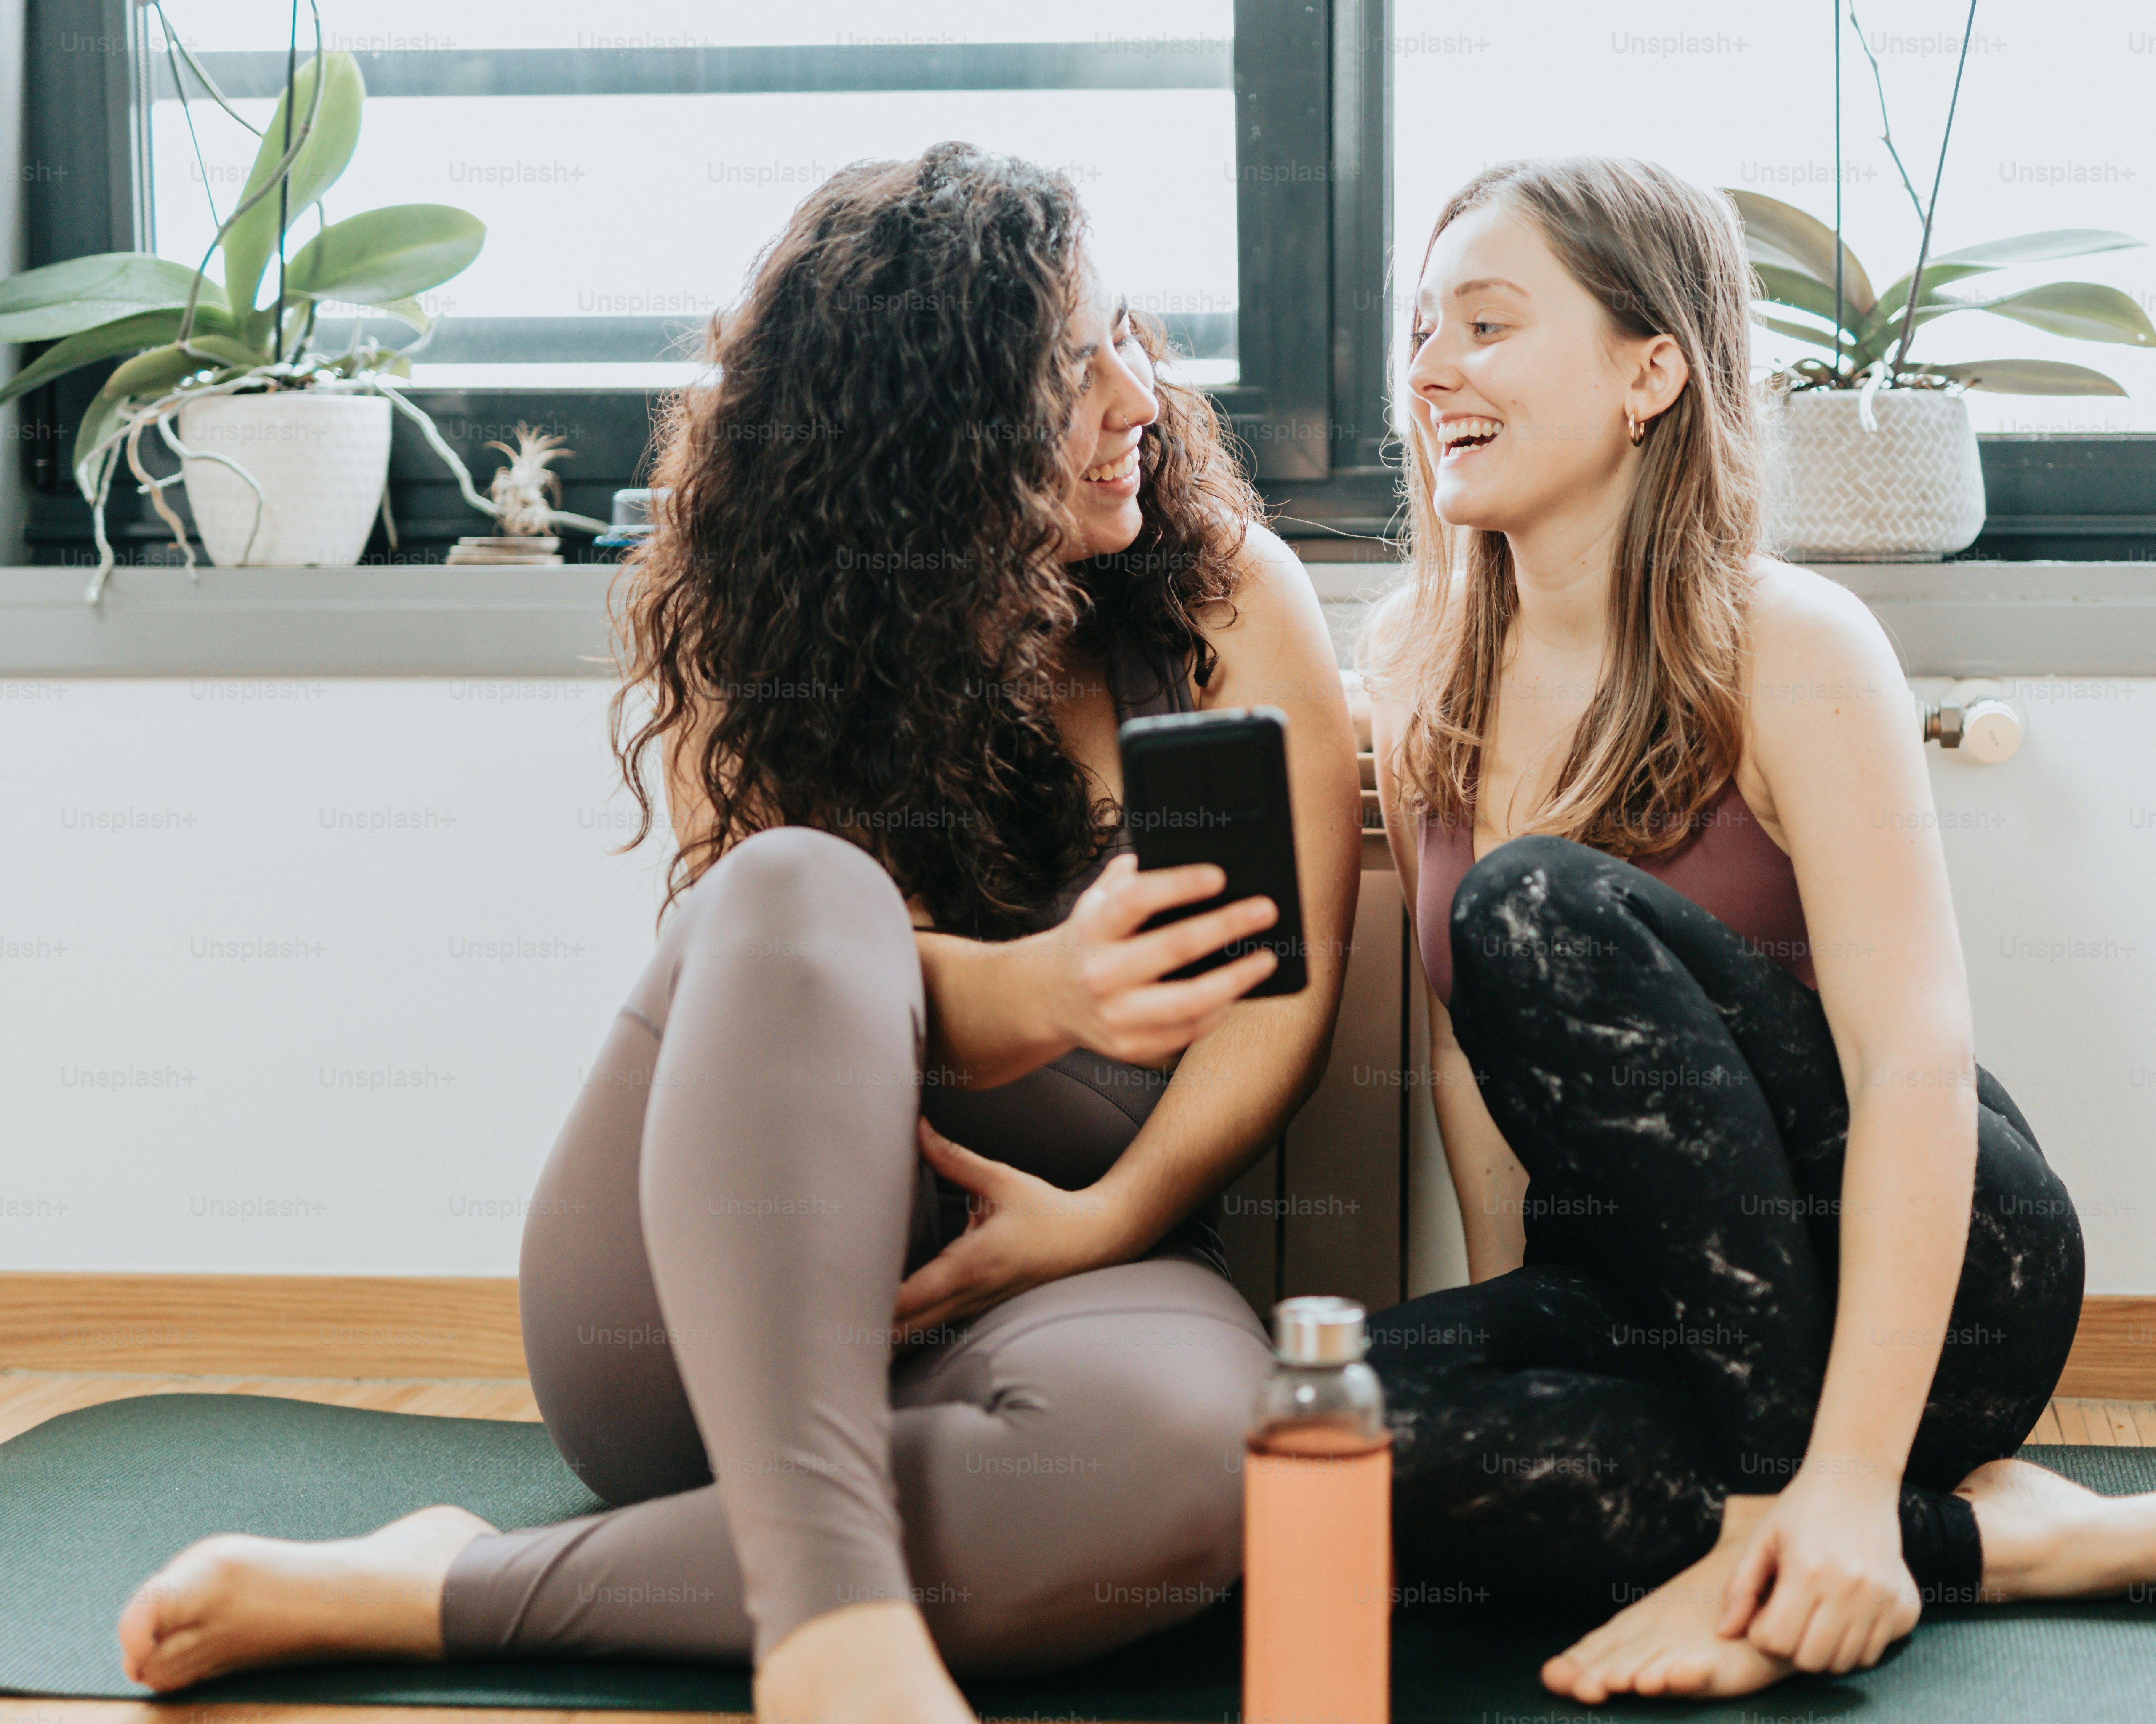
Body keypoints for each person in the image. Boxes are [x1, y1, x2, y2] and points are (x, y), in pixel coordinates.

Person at [112, 143, 1362, 1724]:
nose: (1140, 398)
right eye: (1073, 369)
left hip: (1055, 1295)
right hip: (694, 1317)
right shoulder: (770, 620)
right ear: (936, 429)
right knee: (797, 889)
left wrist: (1101, 1222)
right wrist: (1053, 988)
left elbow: (1275, 1005)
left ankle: (441, 1586)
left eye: (1133, 338)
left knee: (1203, 1456)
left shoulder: (1228, 597)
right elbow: (799, 975)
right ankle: (840, 1639)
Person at [1356, 155, 2156, 1702]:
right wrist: (1533, 1326)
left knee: (1535, 899)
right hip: (1658, 1293)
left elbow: (1915, 1066)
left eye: (1486, 324)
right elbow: (1477, 1070)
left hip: (1938, 1278)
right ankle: (2008, 1542)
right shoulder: (1413, 661)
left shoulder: (1792, 643)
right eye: (1423, 331)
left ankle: (1827, 1518)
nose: (1432, 371)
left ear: (1648, 369)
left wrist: (1858, 1478)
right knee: (1301, 1429)